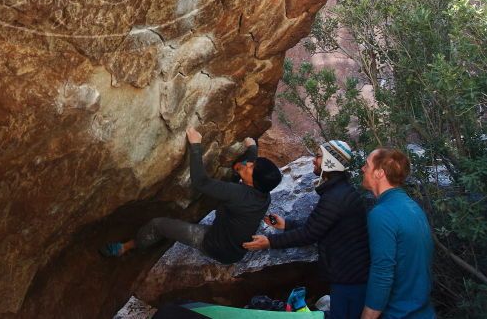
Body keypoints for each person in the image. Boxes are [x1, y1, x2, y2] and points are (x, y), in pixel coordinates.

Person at [100, 126, 282, 264]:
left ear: (253, 183)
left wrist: (195, 145)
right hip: (234, 246)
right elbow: (252, 175)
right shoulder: (264, 195)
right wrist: (252, 149)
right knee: (235, 178)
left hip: (216, 246)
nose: (247, 165)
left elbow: (201, 182)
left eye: (250, 167)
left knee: (158, 224)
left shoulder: (239, 194)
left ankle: (126, 247)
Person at [243, 140, 370, 319]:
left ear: (329, 162)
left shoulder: (335, 198)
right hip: (350, 275)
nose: (314, 160)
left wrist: (269, 242)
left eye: (318, 156)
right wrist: (286, 225)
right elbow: (319, 225)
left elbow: (309, 234)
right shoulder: (339, 192)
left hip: (349, 279)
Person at [360, 148, 434, 319]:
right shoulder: (412, 207)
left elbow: (382, 274)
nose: (363, 169)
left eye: (367, 165)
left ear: (379, 173)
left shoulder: (382, 214)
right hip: (423, 312)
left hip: (399, 314)